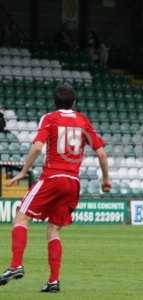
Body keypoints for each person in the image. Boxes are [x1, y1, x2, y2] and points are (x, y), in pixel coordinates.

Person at [0, 84, 111, 292]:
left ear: (54, 102)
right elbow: (102, 154)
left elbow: (37, 147)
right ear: (74, 103)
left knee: (21, 215)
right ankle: (53, 281)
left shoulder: (49, 118)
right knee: (53, 230)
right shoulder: (83, 120)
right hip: (73, 182)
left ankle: (15, 265)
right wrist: (106, 180)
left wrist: (24, 171)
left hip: (52, 177)